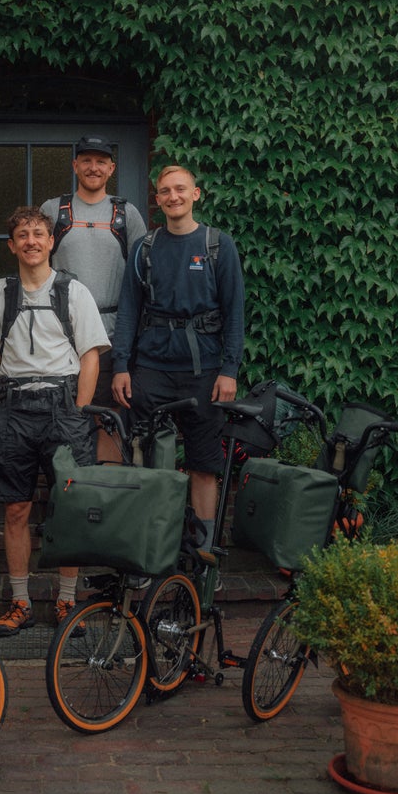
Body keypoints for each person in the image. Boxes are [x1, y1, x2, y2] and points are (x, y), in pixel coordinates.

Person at [0, 206, 110, 637]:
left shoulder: (73, 292)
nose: (31, 241)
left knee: (69, 507)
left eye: (39, 234)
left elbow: (90, 357)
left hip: (64, 407)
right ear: (12, 246)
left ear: (51, 243)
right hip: (12, 409)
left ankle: (68, 600)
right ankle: (20, 602)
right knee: (15, 507)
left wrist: (79, 411)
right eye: (23, 235)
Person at [111, 165, 245, 551]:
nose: (173, 196)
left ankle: (204, 556)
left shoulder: (217, 245)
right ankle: (147, 550)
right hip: (150, 371)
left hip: (204, 373)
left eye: (180, 189)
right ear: (157, 200)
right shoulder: (146, 248)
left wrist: (230, 369)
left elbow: (234, 312)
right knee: (146, 463)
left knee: (204, 466)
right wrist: (121, 366)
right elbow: (128, 311)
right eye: (165, 191)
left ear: (196, 194)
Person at [40, 135, 147, 461]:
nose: (93, 167)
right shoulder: (53, 210)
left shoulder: (126, 214)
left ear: (111, 168)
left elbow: (142, 277)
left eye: (101, 161)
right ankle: (63, 492)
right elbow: (34, 266)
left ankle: (102, 495)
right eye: (86, 160)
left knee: (107, 417)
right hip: (60, 334)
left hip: (111, 334)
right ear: (75, 166)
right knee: (59, 415)